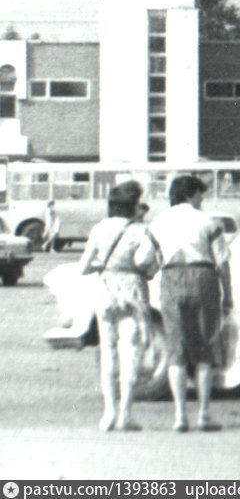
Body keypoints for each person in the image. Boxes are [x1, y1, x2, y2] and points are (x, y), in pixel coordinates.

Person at [147, 175, 233, 433]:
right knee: (205, 348)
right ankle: (204, 414)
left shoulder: (157, 222)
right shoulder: (208, 221)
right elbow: (223, 262)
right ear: (191, 194)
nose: (202, 199)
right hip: (204, 278)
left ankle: (180, 416)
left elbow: (144, 258)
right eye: (200, 194)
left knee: (177, 349)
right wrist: (228, 294)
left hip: (172, 279)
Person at [75, 181, 161, 431]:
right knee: (130, 352)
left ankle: (108, 413)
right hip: (132, 291)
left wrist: (103, 266)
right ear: (134, 206)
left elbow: (82, 268)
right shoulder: (140, 231)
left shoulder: (99, 228)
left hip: (105, 291)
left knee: (107, 353)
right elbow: (143, 262)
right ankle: (126, 414)